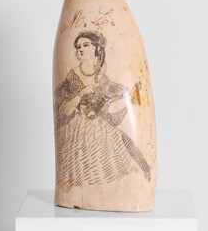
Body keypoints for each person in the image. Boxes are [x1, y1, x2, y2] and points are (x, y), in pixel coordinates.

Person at [54, 30, 151, 186]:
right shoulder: (72, 78)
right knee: (79, 168)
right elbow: (65, 110)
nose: (80, 49)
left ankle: (138, 178)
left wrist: (128, 97)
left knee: (119, 145)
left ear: (96, 49)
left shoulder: (103, 78)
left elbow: (105, 104)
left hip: (99, 125)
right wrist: (81, 93)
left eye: (85, 45)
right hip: (77, 128)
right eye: (78, 46)